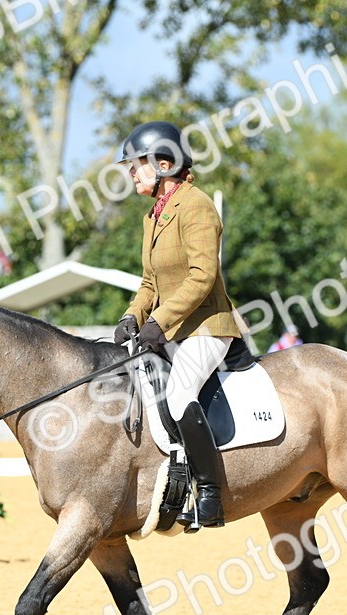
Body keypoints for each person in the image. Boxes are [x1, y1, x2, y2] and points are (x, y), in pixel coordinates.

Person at [111, 121, 241, 528]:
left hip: (206, 328)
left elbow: (202, 276)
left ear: (164, 164)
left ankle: (209, 493)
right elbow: (151, 282)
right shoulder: (154, 215)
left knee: (180, 390)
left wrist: (160, 322)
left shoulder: (197, 205)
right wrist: (133, 315)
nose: (131, 173)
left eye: (137, 165)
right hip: (171, 330)